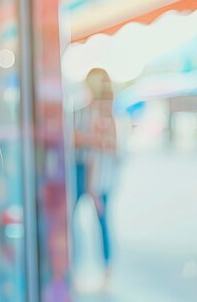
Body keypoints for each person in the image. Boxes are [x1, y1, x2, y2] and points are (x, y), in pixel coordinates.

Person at [73, 67, 118, 289]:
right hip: (89, 174)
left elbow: (103, 153)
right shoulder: (86, 112)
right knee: (75, 220)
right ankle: (75, 266)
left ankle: (105, 271)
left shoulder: (105, 117)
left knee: (101, 222)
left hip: (98, 177)